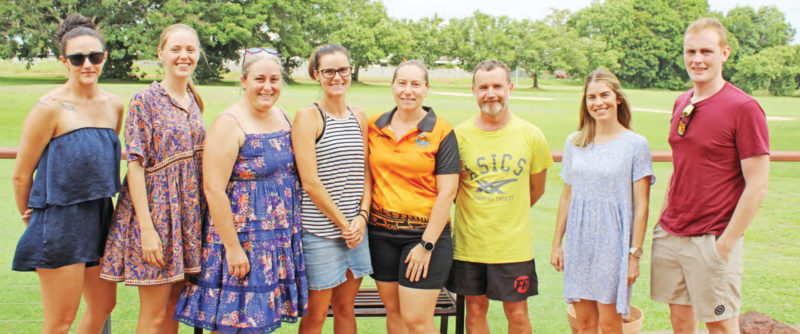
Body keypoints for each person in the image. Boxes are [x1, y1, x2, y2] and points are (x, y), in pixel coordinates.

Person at [174, 48, 308, 333]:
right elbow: (213, 189)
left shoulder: (284, 117)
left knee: (260, 324)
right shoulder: (228, 123)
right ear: (243, 81)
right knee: (234, 324)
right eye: (259, 78)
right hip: (242, 242)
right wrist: (234, 249)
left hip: (277, 239)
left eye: (275, 79)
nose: (268, 86)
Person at [651, 18, 770, 334]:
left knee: (720, 327)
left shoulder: (744, 107)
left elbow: (758, 184)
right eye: (690, 51)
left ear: (725, 53)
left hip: (712, 237)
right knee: (680, 323)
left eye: (706, 51)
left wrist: (725, 245)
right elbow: (681, 166)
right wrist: (662, 219)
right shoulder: (681, 102)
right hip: (673, 233)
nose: (697, 59)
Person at [10, 14, 124, 334]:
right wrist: (29, 216)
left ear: (105, 57)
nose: (87, 64)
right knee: (60, 322)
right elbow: (21, 175)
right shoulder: (49, 107)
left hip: (101, 217)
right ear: (64, 61)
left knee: (103, 306)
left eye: (95, 56)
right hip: (60, 221)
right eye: (78, 58)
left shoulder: (114, 106)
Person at [100, 23, 207, 333]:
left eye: (190, 49)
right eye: (176, 49)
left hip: (187, 218)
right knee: (154, 313)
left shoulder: (193, 101)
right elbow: (135, 164)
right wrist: (147, 229)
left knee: (174, 307)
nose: (183, 56)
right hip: (156, 218)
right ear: (161, 53)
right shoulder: (144, 100)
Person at [445, 59, 552, 334]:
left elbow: (536, 189)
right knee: (475, 311)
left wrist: (508, 211)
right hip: (471, 245)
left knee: (517, 314)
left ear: (510, 88)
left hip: (513, 247)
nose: (490, 93)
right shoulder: (458, 136)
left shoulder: (531, 135)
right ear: (474, 91)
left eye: (497, 86)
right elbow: (454, 191)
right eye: (483, 87)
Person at [550, 69, 653, 334]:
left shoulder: (635, 145)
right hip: (580, 241)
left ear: (617, 98)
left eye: (604, 95)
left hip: (614, 244)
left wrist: (634, 255)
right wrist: (557, 244)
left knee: (609, 324)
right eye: (591, 97)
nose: (598, 102)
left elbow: (641, 207)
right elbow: (567, 196)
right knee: (583, 323)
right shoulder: (575, 143)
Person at [368, 60, 460, 334]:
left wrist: (426, 245)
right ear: (393, 86)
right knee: (395, 315)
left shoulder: (441, 131)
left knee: (417, 322)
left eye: (415, 84)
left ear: (426, 89)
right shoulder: (374, 125)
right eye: (402, 83)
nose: (408, 91)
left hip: (423, 237)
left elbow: (448, 193)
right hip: (381, 234)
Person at [292, 44, 372, 334]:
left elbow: (365, 170)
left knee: (345, 307)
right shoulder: (308, 117)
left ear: (351, 70)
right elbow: (310, 182)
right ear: (316, 74)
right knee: (315, 314)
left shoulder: (359, 115)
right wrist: (344, 224)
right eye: (329, 71)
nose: (337, 77)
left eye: (343, 70)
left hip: (355, 231)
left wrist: (361, 218)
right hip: (321, 233)